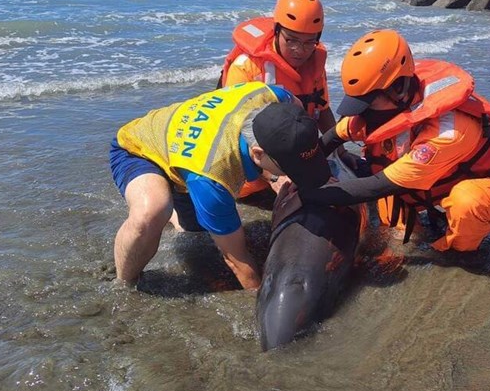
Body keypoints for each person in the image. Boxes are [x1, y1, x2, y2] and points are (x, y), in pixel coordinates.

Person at [298, 29, 490, 253]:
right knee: (392, 228)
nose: (363, 112)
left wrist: (311, 195)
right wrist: (299, 171)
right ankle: (412, 232)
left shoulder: (449, 131)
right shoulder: (380, 106)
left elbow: (377, 185)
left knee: (466, 201)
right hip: (438, 181)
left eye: (368, 102)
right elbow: (331, 138)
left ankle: (460, 255)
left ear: (399, 88)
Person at [109, 82, 330, 290]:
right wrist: (257, 295)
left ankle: (174, 209)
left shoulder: (273, 94)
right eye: (292, 167)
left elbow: (298, 109)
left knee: (193, 231)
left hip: (185, 152)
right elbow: (237, 260)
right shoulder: (213, 177)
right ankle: (124, 283)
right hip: (139, 148)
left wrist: (278, 174)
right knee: (153, 211)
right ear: (258, 154)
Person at [218, 0, 336, 197]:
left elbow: (322, 110)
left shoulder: (315, 64)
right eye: (291, 40)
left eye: (310, 42)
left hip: (295, 161)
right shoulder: (246, 67)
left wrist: (340, 151)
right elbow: (233, 135)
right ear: (277, 30)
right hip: (256, 170)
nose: (300, 50)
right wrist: (273, 176)